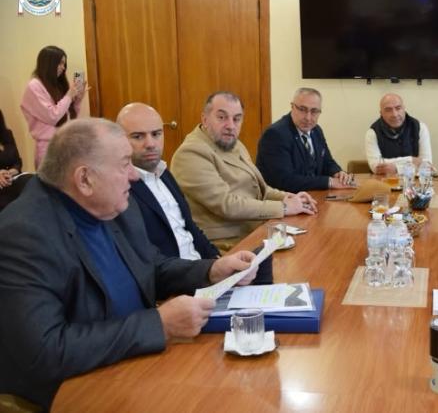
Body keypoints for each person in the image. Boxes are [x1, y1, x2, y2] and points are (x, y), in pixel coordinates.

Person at [0, 118, 264, 409]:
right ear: (84, 179)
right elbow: (46, 352)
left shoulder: (114, 205)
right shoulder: (23, 234)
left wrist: (211, 270)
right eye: (124, 164)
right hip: (73, 390)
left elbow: (151, 266)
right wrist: (159, 325)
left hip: (138, 362)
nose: (135, 176)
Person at [171, 91, 318, 251]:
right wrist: (283, 207)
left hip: (255, 231)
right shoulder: (191, 153)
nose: (230, 125)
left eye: (237, 118)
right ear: (204, 119)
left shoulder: (233, 143)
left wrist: (289, 198)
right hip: (223, 245)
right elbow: (227, 205)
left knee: (312, 244)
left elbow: (260, 189)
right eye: (222, 117)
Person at [117, 102, 220, 260]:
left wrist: (217, 259)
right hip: (176, 272)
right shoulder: (121, 188)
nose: (150, 144)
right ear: (120, 140)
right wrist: (206, 269)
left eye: (156, 134)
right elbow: (147, 258)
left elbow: (190, 226)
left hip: (201, 265)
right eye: (138, 136)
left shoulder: (164, 172)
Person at [256, 88, 353, 192]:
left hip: (312, 195)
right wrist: (328, 182)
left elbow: (327, 161)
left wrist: (337, 173)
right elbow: (285, 180)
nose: (308, 117)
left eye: (314, 111)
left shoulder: (316, 130)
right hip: (284, 199)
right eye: (302, 109)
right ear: (292, 107)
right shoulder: (275, 135)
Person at [20, 45, 85, 168]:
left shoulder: (57, 85)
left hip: (64, 143)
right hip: (48, 148)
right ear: (48, 64)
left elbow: (70, 119)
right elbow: (52, 116)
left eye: (64, 64)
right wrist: (69, 95)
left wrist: (77, 100)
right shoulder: (34, 86)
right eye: (60, 63)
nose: (63, 67)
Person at [365, 93, 433, 174]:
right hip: (384, 180)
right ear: (381, 113)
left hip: (415, 180)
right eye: (388, 110)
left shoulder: (420, 128)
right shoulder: (372, 132)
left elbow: (427, 166)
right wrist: (411, 160)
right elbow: (376, 167)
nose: (394, 114)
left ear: (404, 108)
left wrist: (397, 168)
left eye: (398, 108)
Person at [0, 109, 31, 211]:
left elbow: (18, 162)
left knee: (33, 182)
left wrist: (10, 172)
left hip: (12, 178)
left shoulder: (7, 135)